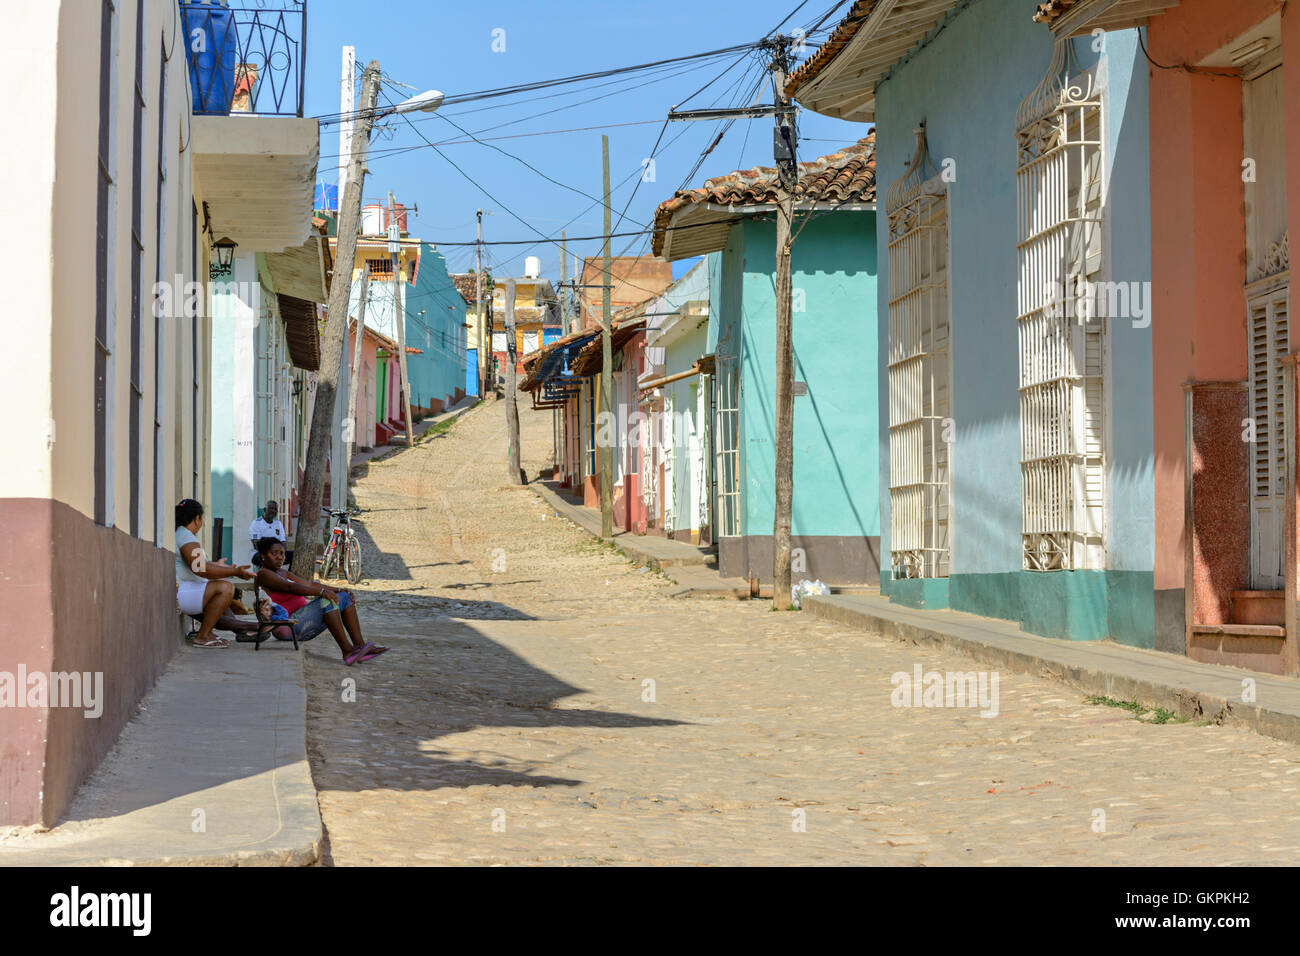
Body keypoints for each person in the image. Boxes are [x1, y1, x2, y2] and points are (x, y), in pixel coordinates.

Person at [253, 537, 388, 666]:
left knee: (345, 598)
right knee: (326, 601)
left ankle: (360, 646)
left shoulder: (282, 572)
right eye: (274, 553)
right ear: (263, 556)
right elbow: (291, 587)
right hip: (287, 626)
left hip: (300, 620)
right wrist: (322, 593)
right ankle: (347, 651)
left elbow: (310, 585)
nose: (280, 557)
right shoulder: (264, 574)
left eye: (282, 553)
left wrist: (338, 589)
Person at [175, 499, 255, 648]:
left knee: (223, 593)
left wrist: (217, 566)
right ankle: (203, 636)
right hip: (181, 593)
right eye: (202, 519)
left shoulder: (182, 534)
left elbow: (197, 565)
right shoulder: (185, 536)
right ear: (197, 519)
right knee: (225, 588)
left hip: (185, 590)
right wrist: (235, 571)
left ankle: (239, 629)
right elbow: (201, 568)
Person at [249, 500, 291, 565]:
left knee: (293, 555)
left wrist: (281, 553)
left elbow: (283, 542)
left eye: (275, 509)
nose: (273, 511)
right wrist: (272, 553)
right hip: (260, 554)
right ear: (265, 510)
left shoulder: (278, 524)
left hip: (276, 554)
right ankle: (263, 575)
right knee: (267, 558)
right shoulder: (256, 523)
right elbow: (256, 545)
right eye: (271, 508)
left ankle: (287, 575)